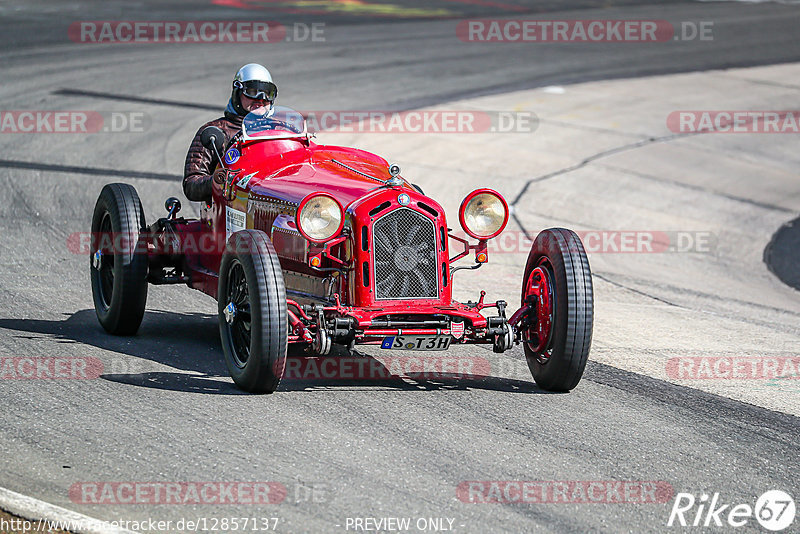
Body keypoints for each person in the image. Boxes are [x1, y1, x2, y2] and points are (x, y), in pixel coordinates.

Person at [183, 63, 278, 202]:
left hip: (272, 205)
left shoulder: (281, 130)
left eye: (267, 93)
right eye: (252, 92)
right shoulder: (214, 131)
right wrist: (216, 181)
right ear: (237, 93)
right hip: (228, 211)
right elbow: (191, 184)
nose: (261, 99)